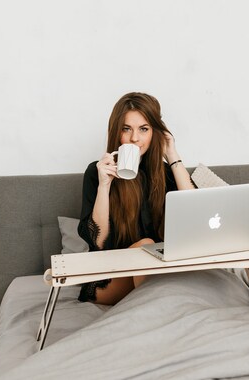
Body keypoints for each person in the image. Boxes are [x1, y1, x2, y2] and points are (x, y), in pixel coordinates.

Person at [77, 92, 195, 305]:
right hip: (109, 277)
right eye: (126, 129)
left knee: (154, 255)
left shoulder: (164, 172)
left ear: (154, 132)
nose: (134, 138)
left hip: (157, 270)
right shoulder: (97, 173)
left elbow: (196, 213)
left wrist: (172, 154)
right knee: (146, 246)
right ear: (117, 133)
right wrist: (105, 185)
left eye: (144, 129)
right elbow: (97, 240)